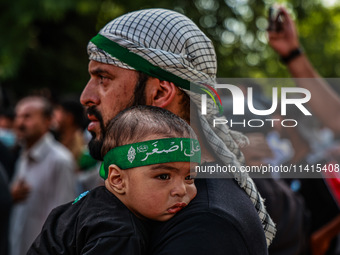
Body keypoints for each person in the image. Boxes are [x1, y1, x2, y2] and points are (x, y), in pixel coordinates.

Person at [80, 8, 275, 254]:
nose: (85, 97)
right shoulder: (159, 198)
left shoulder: (207, 224)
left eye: (103, 78)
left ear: (160, 93)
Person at [28, 105, 200, 254]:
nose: (181, 190)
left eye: (189, 177)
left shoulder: (88, 204)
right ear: (118, 179)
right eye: (163, 176)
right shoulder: (118, 233)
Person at [267, 7, 340, 255]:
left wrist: (323, 238)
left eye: (280, 114)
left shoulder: (326, 163)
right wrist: (293, 54)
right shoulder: (285, 169)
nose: (273, 121)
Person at [9, 96, 77, 255]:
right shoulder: (23, 154)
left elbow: (64, 219)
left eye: (27, 116)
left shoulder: (60, 160)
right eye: (18, 116)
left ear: (48, 120)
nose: (20, 123)